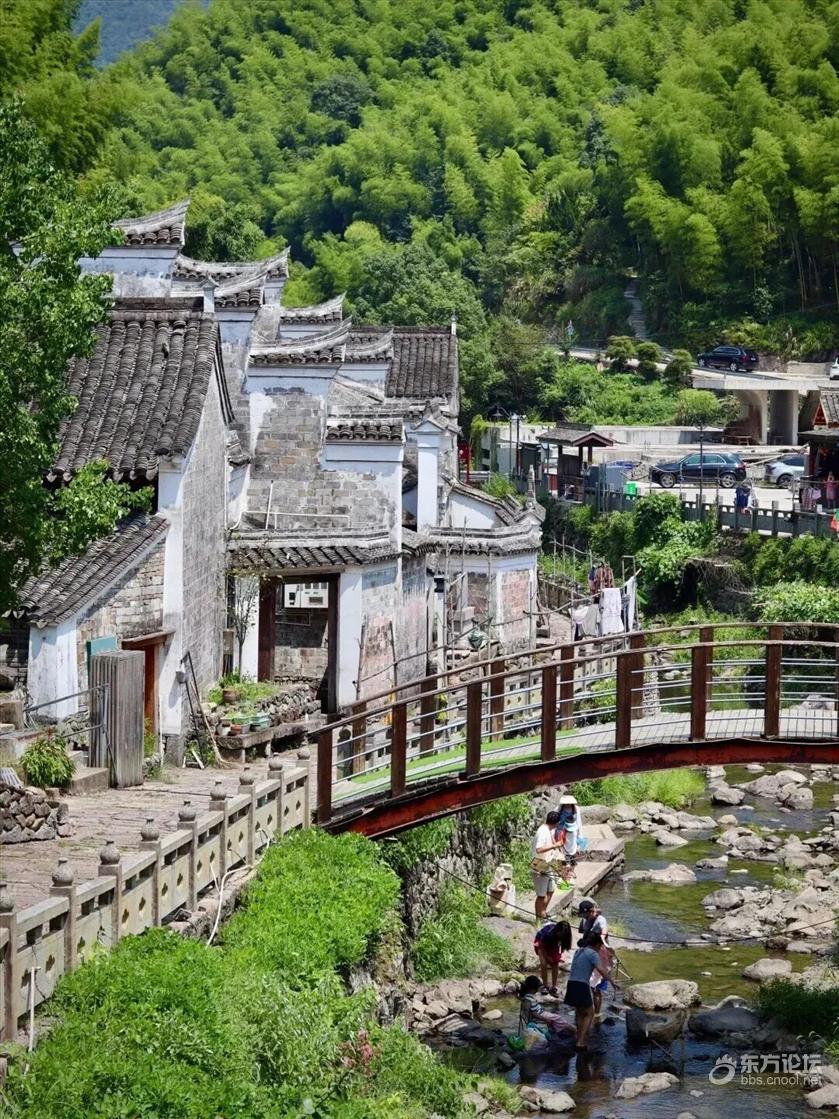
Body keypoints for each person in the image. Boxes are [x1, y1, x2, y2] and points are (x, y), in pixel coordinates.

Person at [564, 933, 607, 1050]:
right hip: (581, 985)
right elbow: (601, 969)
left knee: (579, 1012)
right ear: (597, 944)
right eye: (600, 946)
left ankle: (579, 1037)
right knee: (589, 1013)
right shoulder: (593, 953)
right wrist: (611, 981)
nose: (600, 949)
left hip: (571, 983)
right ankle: (581, 1041)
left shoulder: (579, 951)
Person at [531, 810, 569, 920]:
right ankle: (538, 919)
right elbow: (539, 849)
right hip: (539, 865)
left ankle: (543, 913)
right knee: (541, 895)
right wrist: (554, 845)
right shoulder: (542, 831)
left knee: (551, 890)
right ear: (556, 823)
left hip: (547, 863)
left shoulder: (548, 829)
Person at [578, 898, 613, 1017]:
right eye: (583, 915)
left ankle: (597, 1014)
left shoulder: (600, 919)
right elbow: (582, 932)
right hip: (588, 953)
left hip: (601, 954)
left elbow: (604, 929)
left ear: (592, 911)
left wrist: (602, 936)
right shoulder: (585, 920)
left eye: (586, 915)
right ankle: (586, 1009)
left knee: (597, 987)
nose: (585, 917)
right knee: (586, 983)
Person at [533, 920, 572, 995]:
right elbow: (541, 947)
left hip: (553, 944)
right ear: (557, 931)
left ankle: (554, 986)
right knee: (543, 964)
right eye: (561, 933)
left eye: (564, 934)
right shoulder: (548, 934)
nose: (562, 935)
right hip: (541, 943)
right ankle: (545, 986)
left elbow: (562, 947)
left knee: (555, 964)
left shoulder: (566, 935)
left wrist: (558, 956)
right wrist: (547, 957)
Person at [555, 795, 583, 878]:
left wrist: (580, 837)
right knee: (563, 856)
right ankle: (564, 875)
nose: (568, 804)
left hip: (572, 833)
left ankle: (570, 874)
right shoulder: (558, 809)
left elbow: (579, 823)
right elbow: (555, 822)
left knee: (573, 855)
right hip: (561, 833)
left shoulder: (576, 809)